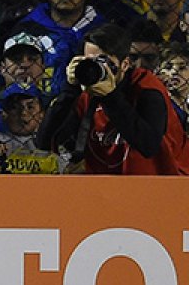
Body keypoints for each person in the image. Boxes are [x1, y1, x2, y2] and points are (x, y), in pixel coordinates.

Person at [36, 23, 189, 174]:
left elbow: (148, 146)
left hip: (162, 182)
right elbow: (45, 141)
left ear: (125, 64)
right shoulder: (86, 93)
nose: (98, 68)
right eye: (90, 61)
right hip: (106, 186)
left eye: (104, 61)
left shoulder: (147, 88)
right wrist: (70, 89)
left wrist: (110, 97)